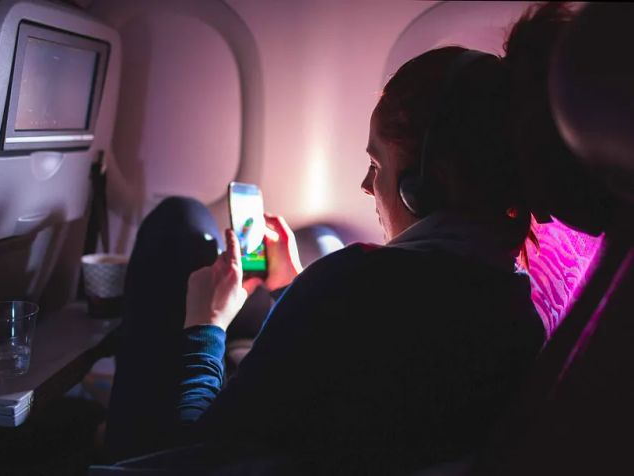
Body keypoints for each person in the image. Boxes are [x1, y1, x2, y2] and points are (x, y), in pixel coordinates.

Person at [100, 3, 567, 474]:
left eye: (377, 165)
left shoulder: (351, 282)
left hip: (170, 457)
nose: (367, 186)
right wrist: (295, 289)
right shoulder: (516, 313)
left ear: (422, 187)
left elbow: (193, 449)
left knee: (177, 222)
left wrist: (207, 325)